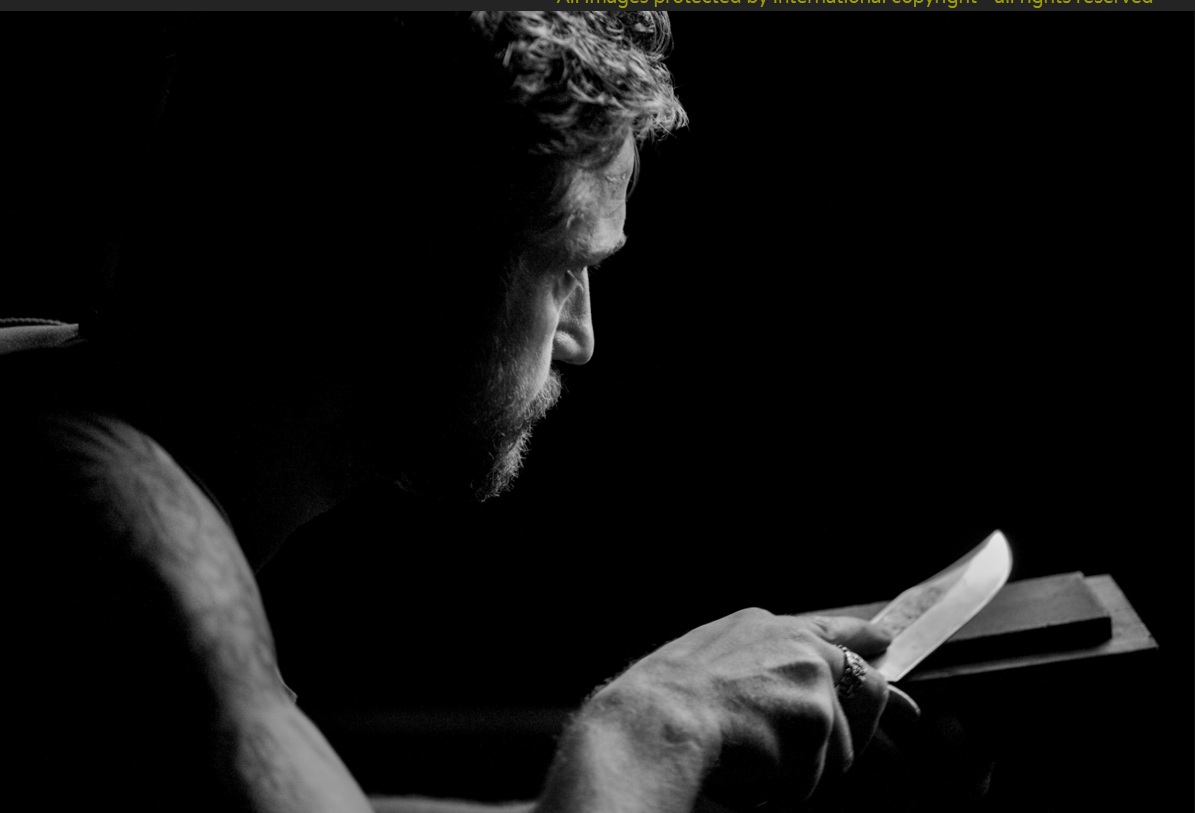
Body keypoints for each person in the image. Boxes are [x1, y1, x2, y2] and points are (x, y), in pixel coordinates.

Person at [1, 12, 912, 812]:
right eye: (565, 269)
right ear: (419, 268)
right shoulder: (117, 528)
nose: (581, 337)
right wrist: (656, 729)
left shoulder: (60, 399)